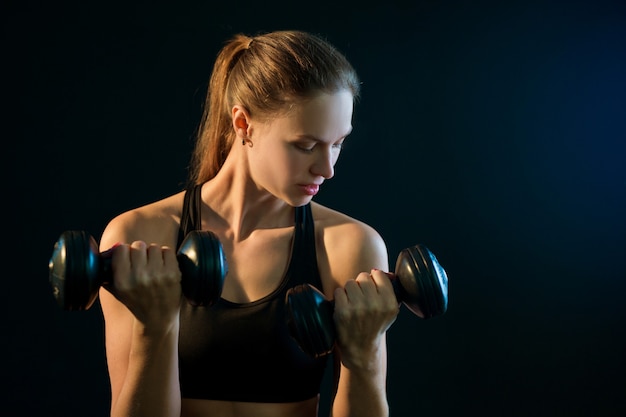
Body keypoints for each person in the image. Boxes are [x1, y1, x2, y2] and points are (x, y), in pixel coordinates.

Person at [98, 30, 400, 417]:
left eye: (338, 143)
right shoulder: (138, 238)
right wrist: (154, 328)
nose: (327, 169)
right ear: (243, 123)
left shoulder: (348, 246)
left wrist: (365, 357)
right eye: (305, 145)